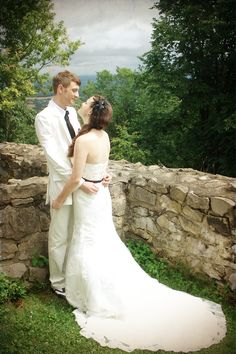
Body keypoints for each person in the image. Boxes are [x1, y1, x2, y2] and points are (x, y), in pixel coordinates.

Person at [52, 95, 227, 352]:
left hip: (89, 199)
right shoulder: (102, 136)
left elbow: (76, 178)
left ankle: (96, 296)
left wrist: (58, 199)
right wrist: (101, 178)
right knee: (102, 242)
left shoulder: (84, 139)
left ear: (90, 112)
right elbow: (99, 167)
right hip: (100, 195)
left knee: (89, 242)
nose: (84, 101)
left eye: (87, 101)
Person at [35, 71, 110, 297]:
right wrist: (80, 181)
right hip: (63, 185)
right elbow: (55, 157)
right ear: (61, 88)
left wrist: (99, 174)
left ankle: (75, 277)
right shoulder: (44, 118)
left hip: (80, 185)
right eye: (74, 90)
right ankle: (58, 282)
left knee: (77, 234)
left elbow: (82, 150)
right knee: (59, 237)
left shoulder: (71, 113)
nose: (77, 95)